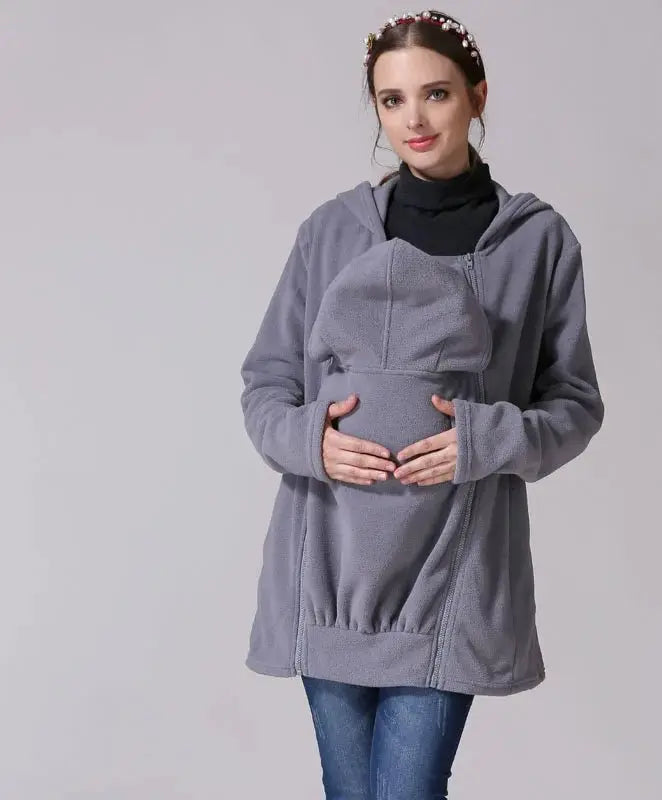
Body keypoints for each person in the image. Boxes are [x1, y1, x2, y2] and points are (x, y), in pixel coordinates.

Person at [238, 9, 605, 798]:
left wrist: (487, 439)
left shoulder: (537, 242)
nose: (414, 119)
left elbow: (574, 405)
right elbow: (266, 385)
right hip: (329, 572)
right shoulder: (330, 232)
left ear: (477, 96)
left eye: (435, 93)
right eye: (391, 99)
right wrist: (312, 441)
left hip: (454, 580)